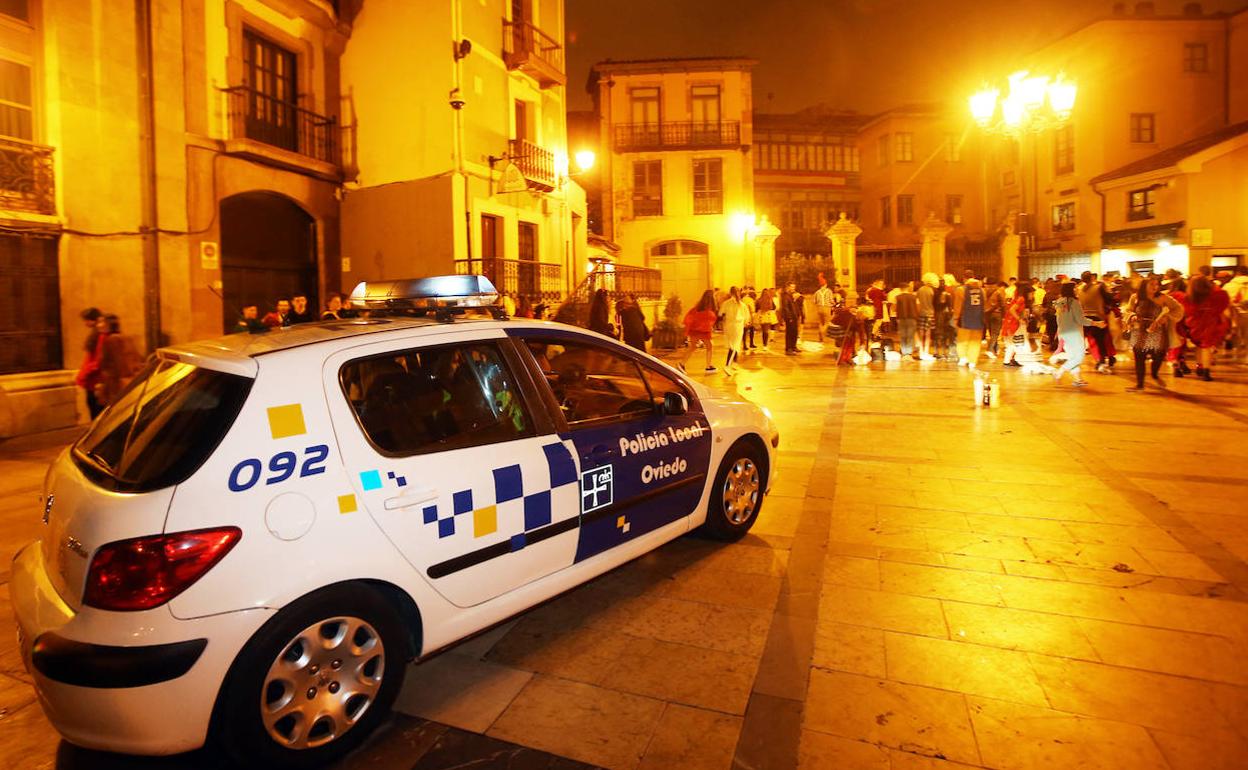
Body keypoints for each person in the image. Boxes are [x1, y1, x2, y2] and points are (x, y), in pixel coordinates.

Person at [1125, 276, 1183, 390]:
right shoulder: (1135, 297)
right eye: (1152, 284)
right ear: (1144, 285)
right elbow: (1128, 310)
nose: (1155, 287)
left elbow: (1178, 309)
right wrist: (1132, 316)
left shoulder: (1164, 298)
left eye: (1157, 284)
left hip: (1158, 332)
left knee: (1158, 356)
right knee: (1139, 358)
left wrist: (1167, 317)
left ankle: (1154, 374)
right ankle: (1139, 384)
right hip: (1139, 330)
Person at [1182, 274, 1230, 381]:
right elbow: (1223, 305)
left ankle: (1199, 366)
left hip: (1195, 324)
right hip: (1210, 323)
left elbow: (1188, 311)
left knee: (1199, 346)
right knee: (1206, 347)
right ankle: (1206, 372)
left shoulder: (1188, 297)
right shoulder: (1217, 295)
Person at [1052, 282, 1092, 386]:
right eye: (1075, 288)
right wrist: (1095, 323)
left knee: (1072, 356)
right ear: (1071, 290)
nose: (1077, 290)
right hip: (1073, 333)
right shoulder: (1074, 302)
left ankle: (1077, 379)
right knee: (1079, 356)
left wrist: (1059, 331)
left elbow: (1058, 319)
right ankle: (1059, 372)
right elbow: (1080, 320)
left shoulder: (1059, 302)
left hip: (1063, 332)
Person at [96, 314, 140, 406]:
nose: (98, 325)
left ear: (108, 325)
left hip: (116, 385)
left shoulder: (111, 340)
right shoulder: (126, 338)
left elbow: (116, 363)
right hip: (128, 382)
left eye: (102, 322)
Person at [1076, 272, 1112, 373]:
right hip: (1098, 316)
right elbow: (1109, 298)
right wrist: (1107, 310)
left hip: (1085, 317)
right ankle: (1103, 359)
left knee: (1094, 340)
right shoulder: (1099, 287)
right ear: (1092, 278)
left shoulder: (1079, 290)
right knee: (1101, 340)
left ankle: (1102, 359)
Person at [75, 307, 106, 418]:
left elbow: (98, 360)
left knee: (96, 411)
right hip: (92, 379)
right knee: (94, 408)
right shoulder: (95, 335)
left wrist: (84, 374)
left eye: (87, 320)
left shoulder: (100, 336)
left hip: (95, 380)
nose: (85, 323)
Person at [678, 290, 718, 373]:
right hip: (704, 330)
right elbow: (710, 319)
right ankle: (708, 366)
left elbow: (692, 316)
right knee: (709, 347)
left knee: (693, 346)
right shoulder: (709, 308)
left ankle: (682, 364)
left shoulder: (699, 306)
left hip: (695, 330)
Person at [953, 270, 985, 369]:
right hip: (978, 319)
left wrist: (955, 318)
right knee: (975, 341)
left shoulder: (960, 290)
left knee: (962, 340)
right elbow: (984, 305)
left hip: (965, 319)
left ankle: (963, 358)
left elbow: (958, 306)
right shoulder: (982, 290)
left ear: (964, 278)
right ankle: (973, 361)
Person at [1001, 282, 1033, 367]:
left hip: (1011, 322)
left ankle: (1011, 360)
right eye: (1031, 293)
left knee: (1014, 342)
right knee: (1014, 342)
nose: (1032, 295)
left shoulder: (1017, 297)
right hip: (1013, 323)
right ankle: (1008, 361)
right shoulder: (1021, 299)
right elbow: (1012, 309)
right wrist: (1019, 319)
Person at [720, 287, 747, 374]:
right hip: (737, 326)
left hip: (728, 326)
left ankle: (734, 363)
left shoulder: (726, 303)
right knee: (735, 346)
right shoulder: (742, 304)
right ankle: (727, 365)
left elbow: (720, 314)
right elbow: (746, 317)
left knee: (732, 344)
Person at [916, 273, 938, 361]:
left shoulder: (920, 290)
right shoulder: (932, 290)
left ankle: (921, 352)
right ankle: (926, 351)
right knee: (928, 334)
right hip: (930, 313)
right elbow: (934, 303)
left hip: (921, 313)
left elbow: (917, 302)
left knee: (921, 333)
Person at [894, 281, 918, 359]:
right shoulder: (914, 297)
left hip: (901, 318)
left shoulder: (897, 297)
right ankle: (909, 353)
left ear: (900, 289)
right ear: (907, 288)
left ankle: (904, 353)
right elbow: (918, 307)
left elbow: (895, 308)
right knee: (910, 335)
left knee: (903, 335)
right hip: (912, 318)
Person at [984, 279, 1006, 359]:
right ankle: (989, 350)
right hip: (997, 314)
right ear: (996, 284)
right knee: (995, 333)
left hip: (986, 314)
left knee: (991, 333)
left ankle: (995, 349)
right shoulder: (999, 292)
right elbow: (1003, 304)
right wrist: (1004, 315)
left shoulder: (984, 291)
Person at [780, 282, 803, 355]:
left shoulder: (792, 296)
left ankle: (793, 346)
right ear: (788, 287)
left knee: (794, 332)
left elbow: (799, 304)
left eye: (794, 287)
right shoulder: (786, 296)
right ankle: (789, 348)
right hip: (790, 317)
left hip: (794, 316)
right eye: (792, 287)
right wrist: (789, 317)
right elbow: (786, 308)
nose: (793, 289)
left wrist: (796, 298)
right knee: (790, 333)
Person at [755, 288, 778, 352]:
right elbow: (774, 307)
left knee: (764, 331)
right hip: (768, 315)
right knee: (767, 331)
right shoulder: (770, 299)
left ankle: (764, 345)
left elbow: (756, 308)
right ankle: (765, 345)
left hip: (761, 315)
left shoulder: (759, 300)